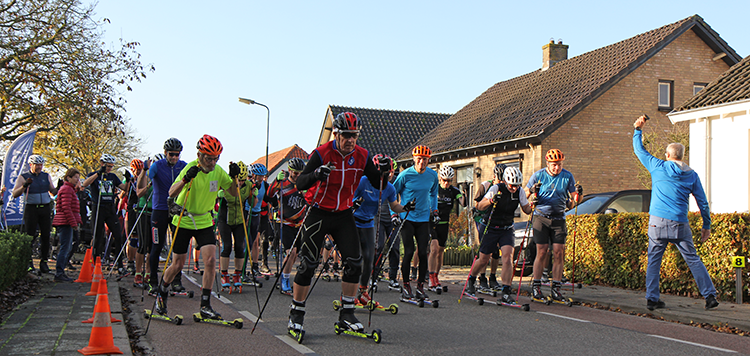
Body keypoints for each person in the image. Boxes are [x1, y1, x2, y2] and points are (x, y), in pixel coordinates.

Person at [288, 111, 386, 336]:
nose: (350, 140)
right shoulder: (322, 153)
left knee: (355, 262)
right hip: (318, 212)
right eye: (346, 135)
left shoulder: (362, 155)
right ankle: (296, 314)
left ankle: (347, 315)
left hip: (343, 214)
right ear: (336, 134)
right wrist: (316, 174)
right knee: (308, 265)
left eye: (354, 135)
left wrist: (384, 172)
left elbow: (378, 184)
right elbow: (301, 183)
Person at [633, 115, 719, 310]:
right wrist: (707, 225)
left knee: (654, 260)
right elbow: (703, 203)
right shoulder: (692, 175)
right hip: (679, 223)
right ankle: (710, 296)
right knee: (693, 259)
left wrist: (638, 130)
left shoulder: (658, 166)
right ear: (682, 155)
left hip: (657, 223)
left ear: (668, 155)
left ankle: (652, 298)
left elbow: (640, 150)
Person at [155, 134, 240, 319]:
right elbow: (171, 192)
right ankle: (162, 294)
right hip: (184, 220)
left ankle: (205, 305)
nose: (212, 163)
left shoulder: (217, 171)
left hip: (204, 221)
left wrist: (234, 178)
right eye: (209, 159)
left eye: (216, 159)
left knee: (210, 262)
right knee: (177, 264)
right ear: (199, 155)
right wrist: (185, 179)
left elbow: (233, 193)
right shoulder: (190, 167)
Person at [352, 154, 414, 306]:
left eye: (386, 174)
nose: (382, 177)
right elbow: (349, 198)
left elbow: (394, 206)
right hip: (354, 220)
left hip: (368, 223)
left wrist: (405, 208)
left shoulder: (389, 188)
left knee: (369, 258)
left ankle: (363, 291)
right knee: (355, 259)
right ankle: (348, 294)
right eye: (380, 174)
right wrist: (355, 203)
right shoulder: (363, 182)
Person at [465, 167, 532, 302]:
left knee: (508, 257)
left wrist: (534, 203)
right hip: (490, 226)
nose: (514, 188)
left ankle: (506, 291)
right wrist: (491, 200)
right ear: (506, 182)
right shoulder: (496, 188)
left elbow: (527, 210)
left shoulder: (519, 192)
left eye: (517, 185)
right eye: (512, 185)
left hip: (506, 228)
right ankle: (471, 280)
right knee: (484, 259)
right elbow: (479, 206)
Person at [525, 148, 581, 302]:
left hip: (558, 219)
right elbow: (524, 193)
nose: (557, 167)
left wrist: (579, 195)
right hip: (541, 217)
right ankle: (536, 287)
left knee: (559, 252)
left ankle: (556, 288)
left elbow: (573, 202)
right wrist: (532, 195)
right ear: (548, 163)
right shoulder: (539, 175)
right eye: (554, 164)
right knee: (542, 252)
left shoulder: (567, 176)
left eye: (559, 164)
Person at [138, 139, 187, 294]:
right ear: (165, 153)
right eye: (171, 154)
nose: (174, 157)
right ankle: (152, 281)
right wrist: (143, 171)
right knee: (156, 247)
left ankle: (175, 281)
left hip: (176, 210)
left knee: (177, 248)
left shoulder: (183, 166)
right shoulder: (157, 166)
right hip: (159, 210)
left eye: (177, 154)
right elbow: (141, 185)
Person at [393, 145, 439, 301]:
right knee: (409, 250)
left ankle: (420, 286)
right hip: (407, 218)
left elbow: (433, 194)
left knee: (423, 253)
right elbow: (392, 193)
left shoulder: (432, 175)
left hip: (423, 218)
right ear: (414, 159)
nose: (421, 162)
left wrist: (435, 210)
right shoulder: (405, 175)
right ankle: (406, 285)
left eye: (425, 159)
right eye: (419, 159)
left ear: (428, 160)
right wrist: (394, 213)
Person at [266, 157, 308, 295]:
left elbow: (312, 200)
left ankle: (286, 273)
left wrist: (306, 194)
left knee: (295, 253)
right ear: (290, 171)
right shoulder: (283, 182)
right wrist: (276, 181)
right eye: (295, 173)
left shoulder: (303, 183)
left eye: (300, 173)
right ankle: (284, 279)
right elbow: (269, 195)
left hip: (300, 223)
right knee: (290, 252)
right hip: (285, 222)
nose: (297, 175)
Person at [12, 154, 59, 273]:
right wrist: (25, 185)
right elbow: (15, 194)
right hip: (31, 208)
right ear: (31, 165)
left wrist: (59, 187)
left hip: (45, 208)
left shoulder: (45, 176)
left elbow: (52, 192)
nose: (39, 167)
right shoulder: (24, 177)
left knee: (45, 236)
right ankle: (28, 261)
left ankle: (44, 262)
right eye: (37, 165)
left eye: (41, 165)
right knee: (30, 235)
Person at [82, 154, 128, 272]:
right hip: (98, 207)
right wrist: (98, 173)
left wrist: (128, 180)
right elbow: (85, 184)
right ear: (102, 164)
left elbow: (124, 188)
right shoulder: (94, 175)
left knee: (118, 235)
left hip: (110, 208)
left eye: (111, 167)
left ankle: (119, 263)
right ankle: (95, 260)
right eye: (107, 166)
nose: (109, 169)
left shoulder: (112, 176)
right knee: (97, 235)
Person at [428, 165, 466, 291]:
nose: (446, 183)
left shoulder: (453, 191)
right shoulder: (434, 189)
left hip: (444, 224)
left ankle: (436, 276)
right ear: (440, 178)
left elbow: (463, 203)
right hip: (432, 223)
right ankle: (430, 277)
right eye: (444, 180)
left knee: (440, 253)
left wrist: (464, 193)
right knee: (433, 249)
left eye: (449, 181)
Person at [217, 161, 252, 292]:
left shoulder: (248, 185)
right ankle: (224, 274)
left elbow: (253, 204)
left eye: (243, 180)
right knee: (226, 246)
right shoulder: (226, 182)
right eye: (239, 179)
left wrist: (252, 196)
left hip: (239, 219)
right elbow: (213, 195)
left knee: (239, 246)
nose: (241, 182)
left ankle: (238, 274)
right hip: (225, 219)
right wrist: (218, 195)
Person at [472, 163, 504, 291]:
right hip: (483, 219)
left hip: (497, 221)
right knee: (485, 250)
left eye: (503, 178)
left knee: (496, 251)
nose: (501, 181)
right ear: (494, 176)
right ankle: (482, 277)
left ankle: (492, 277)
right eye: (499, 178)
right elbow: (478, 204)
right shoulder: (485, 185)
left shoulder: (506, 187)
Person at [52, 168, 82, 282]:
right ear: (68, 177)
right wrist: (73, 223)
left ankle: (61, 271)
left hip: (66, 220)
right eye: (75, 177)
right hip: (65, 221)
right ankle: (59, 272)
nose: (77, 180)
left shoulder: (70, 189)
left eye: (78, 178)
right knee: (65, 247)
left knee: (67, 246)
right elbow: (66, 207)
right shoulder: (67, 189)